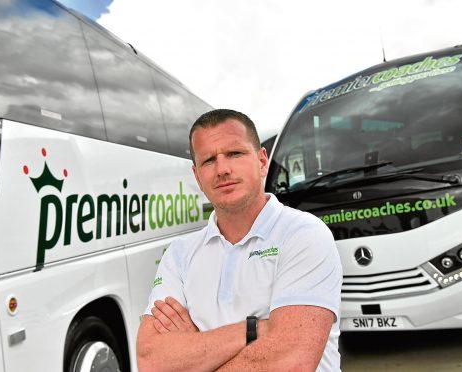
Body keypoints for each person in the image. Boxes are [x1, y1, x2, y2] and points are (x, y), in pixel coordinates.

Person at [136, 109, 342, 371]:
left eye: (235, 153)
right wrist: (254, 329)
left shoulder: (303, 235)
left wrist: (196, 348)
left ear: (262, 161)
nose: (222, 169)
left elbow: (291, 362)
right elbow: (151, 360)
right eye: (209, 160)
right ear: (197, 176)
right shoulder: (179, 254)